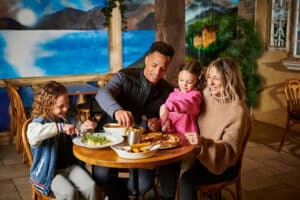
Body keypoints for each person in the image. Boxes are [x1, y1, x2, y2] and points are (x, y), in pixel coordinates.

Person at [93, 41, 175, 199]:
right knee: (101, 177)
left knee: (142, 186)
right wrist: (117, 111)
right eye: (154, 65)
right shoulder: (125, 76)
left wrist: (157, 123)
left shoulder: (167, 90)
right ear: (146, 60)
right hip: (110, 139)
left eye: (163, 68)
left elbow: (166, 118)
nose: (157, 72)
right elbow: (102, 94)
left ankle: (115, 194)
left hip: (140, 145)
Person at [179, 57, 250, 200]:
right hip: (199, 152)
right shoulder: (206, 94)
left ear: (229, 79)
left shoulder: (237, 111)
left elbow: (229, 151)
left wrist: (202, 143)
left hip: (221, 162)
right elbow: (185, 92)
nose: (210, 83)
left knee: (186, 180)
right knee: (169, 167)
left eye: (216, 78)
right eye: (209, 77)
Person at [27, 81, 96, 200]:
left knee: (90, 186)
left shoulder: (67, 117)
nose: (66, 108)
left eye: (67, 104)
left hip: (70, 166)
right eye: (60, 106)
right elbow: (33, 136)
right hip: (48, 172)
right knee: (68, 193)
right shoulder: (39, 122)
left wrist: (84, 129)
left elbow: (78, 136)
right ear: (47, 105)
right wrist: (60, 127)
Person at [160, 60, 203, 135]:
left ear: (197, 81)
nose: (184, 85)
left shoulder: (196, 95)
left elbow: (187, 105)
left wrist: (170, 106)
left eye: (189, 82)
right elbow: (165, 114)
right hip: (171, 132)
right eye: (181, 80)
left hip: (187, 134)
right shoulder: (173, 94)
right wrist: (164, 122)